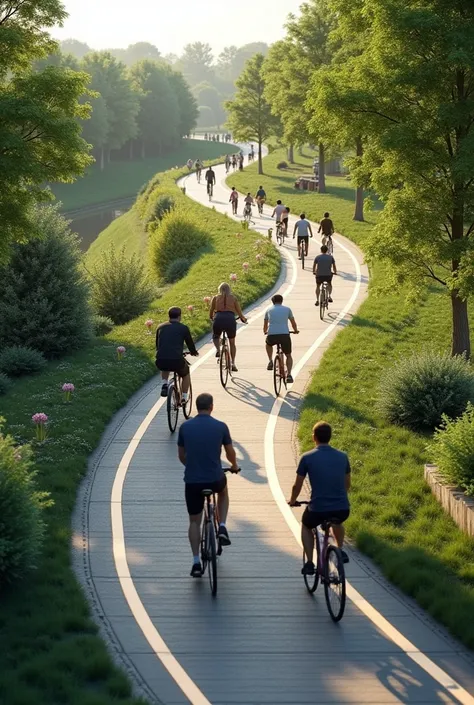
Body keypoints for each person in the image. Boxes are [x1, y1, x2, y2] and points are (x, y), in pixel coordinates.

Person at [178, 392, 240, 577]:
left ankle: (196, 561)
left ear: (197, 407)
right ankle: (221, 525)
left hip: (193, 482)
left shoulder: (185, 427)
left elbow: (181, 456)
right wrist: (234, 466)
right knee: (223, 491)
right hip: (214, 478)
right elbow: (230, 453)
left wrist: (193, 465)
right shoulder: (221, 426)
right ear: (211, 407)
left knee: (194, 521)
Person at [288, 421, 351, 573]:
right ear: (330, 437)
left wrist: (293, 500)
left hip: (318, 508)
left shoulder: (307, 458)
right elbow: (347, 484)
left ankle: (310, 562)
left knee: (306, 525)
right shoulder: (343, 457)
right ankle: (340, 549)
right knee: (337, 521)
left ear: (313, 437)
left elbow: (297, 485)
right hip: (342, 507)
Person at [155, 307, 199, 399]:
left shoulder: (160, 327)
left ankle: (164, 384)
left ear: (169, 316)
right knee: (186, 373)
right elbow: (189, 343)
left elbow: (158, 345)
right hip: (176, 361)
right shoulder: (183, 328)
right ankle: (184, 396)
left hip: (160, 360)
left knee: (165, 364)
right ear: (179, 316)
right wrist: (193, 352)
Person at [210, 282, 247, 371]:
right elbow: (239, 311)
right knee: (232, 342)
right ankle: (233, 363)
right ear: (229, 289)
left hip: (218, 318)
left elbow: (211, 310)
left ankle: (218, 350)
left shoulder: (215, 298)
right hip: (230, 319)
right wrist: (243, 319)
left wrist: (211, 318)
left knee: (216, 336)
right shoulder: (233, 298)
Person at [263, 294, 299, 384]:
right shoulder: (287, 309)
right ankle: (289, 375)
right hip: (284, 335)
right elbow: (293, 322)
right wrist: (295, 330)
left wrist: (265, 331)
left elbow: (265, 324)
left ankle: (270, 361)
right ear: (281, 301)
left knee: (268, 344)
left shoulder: (268, 310)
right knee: (288, 355)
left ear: (273, 301)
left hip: (272, 335)